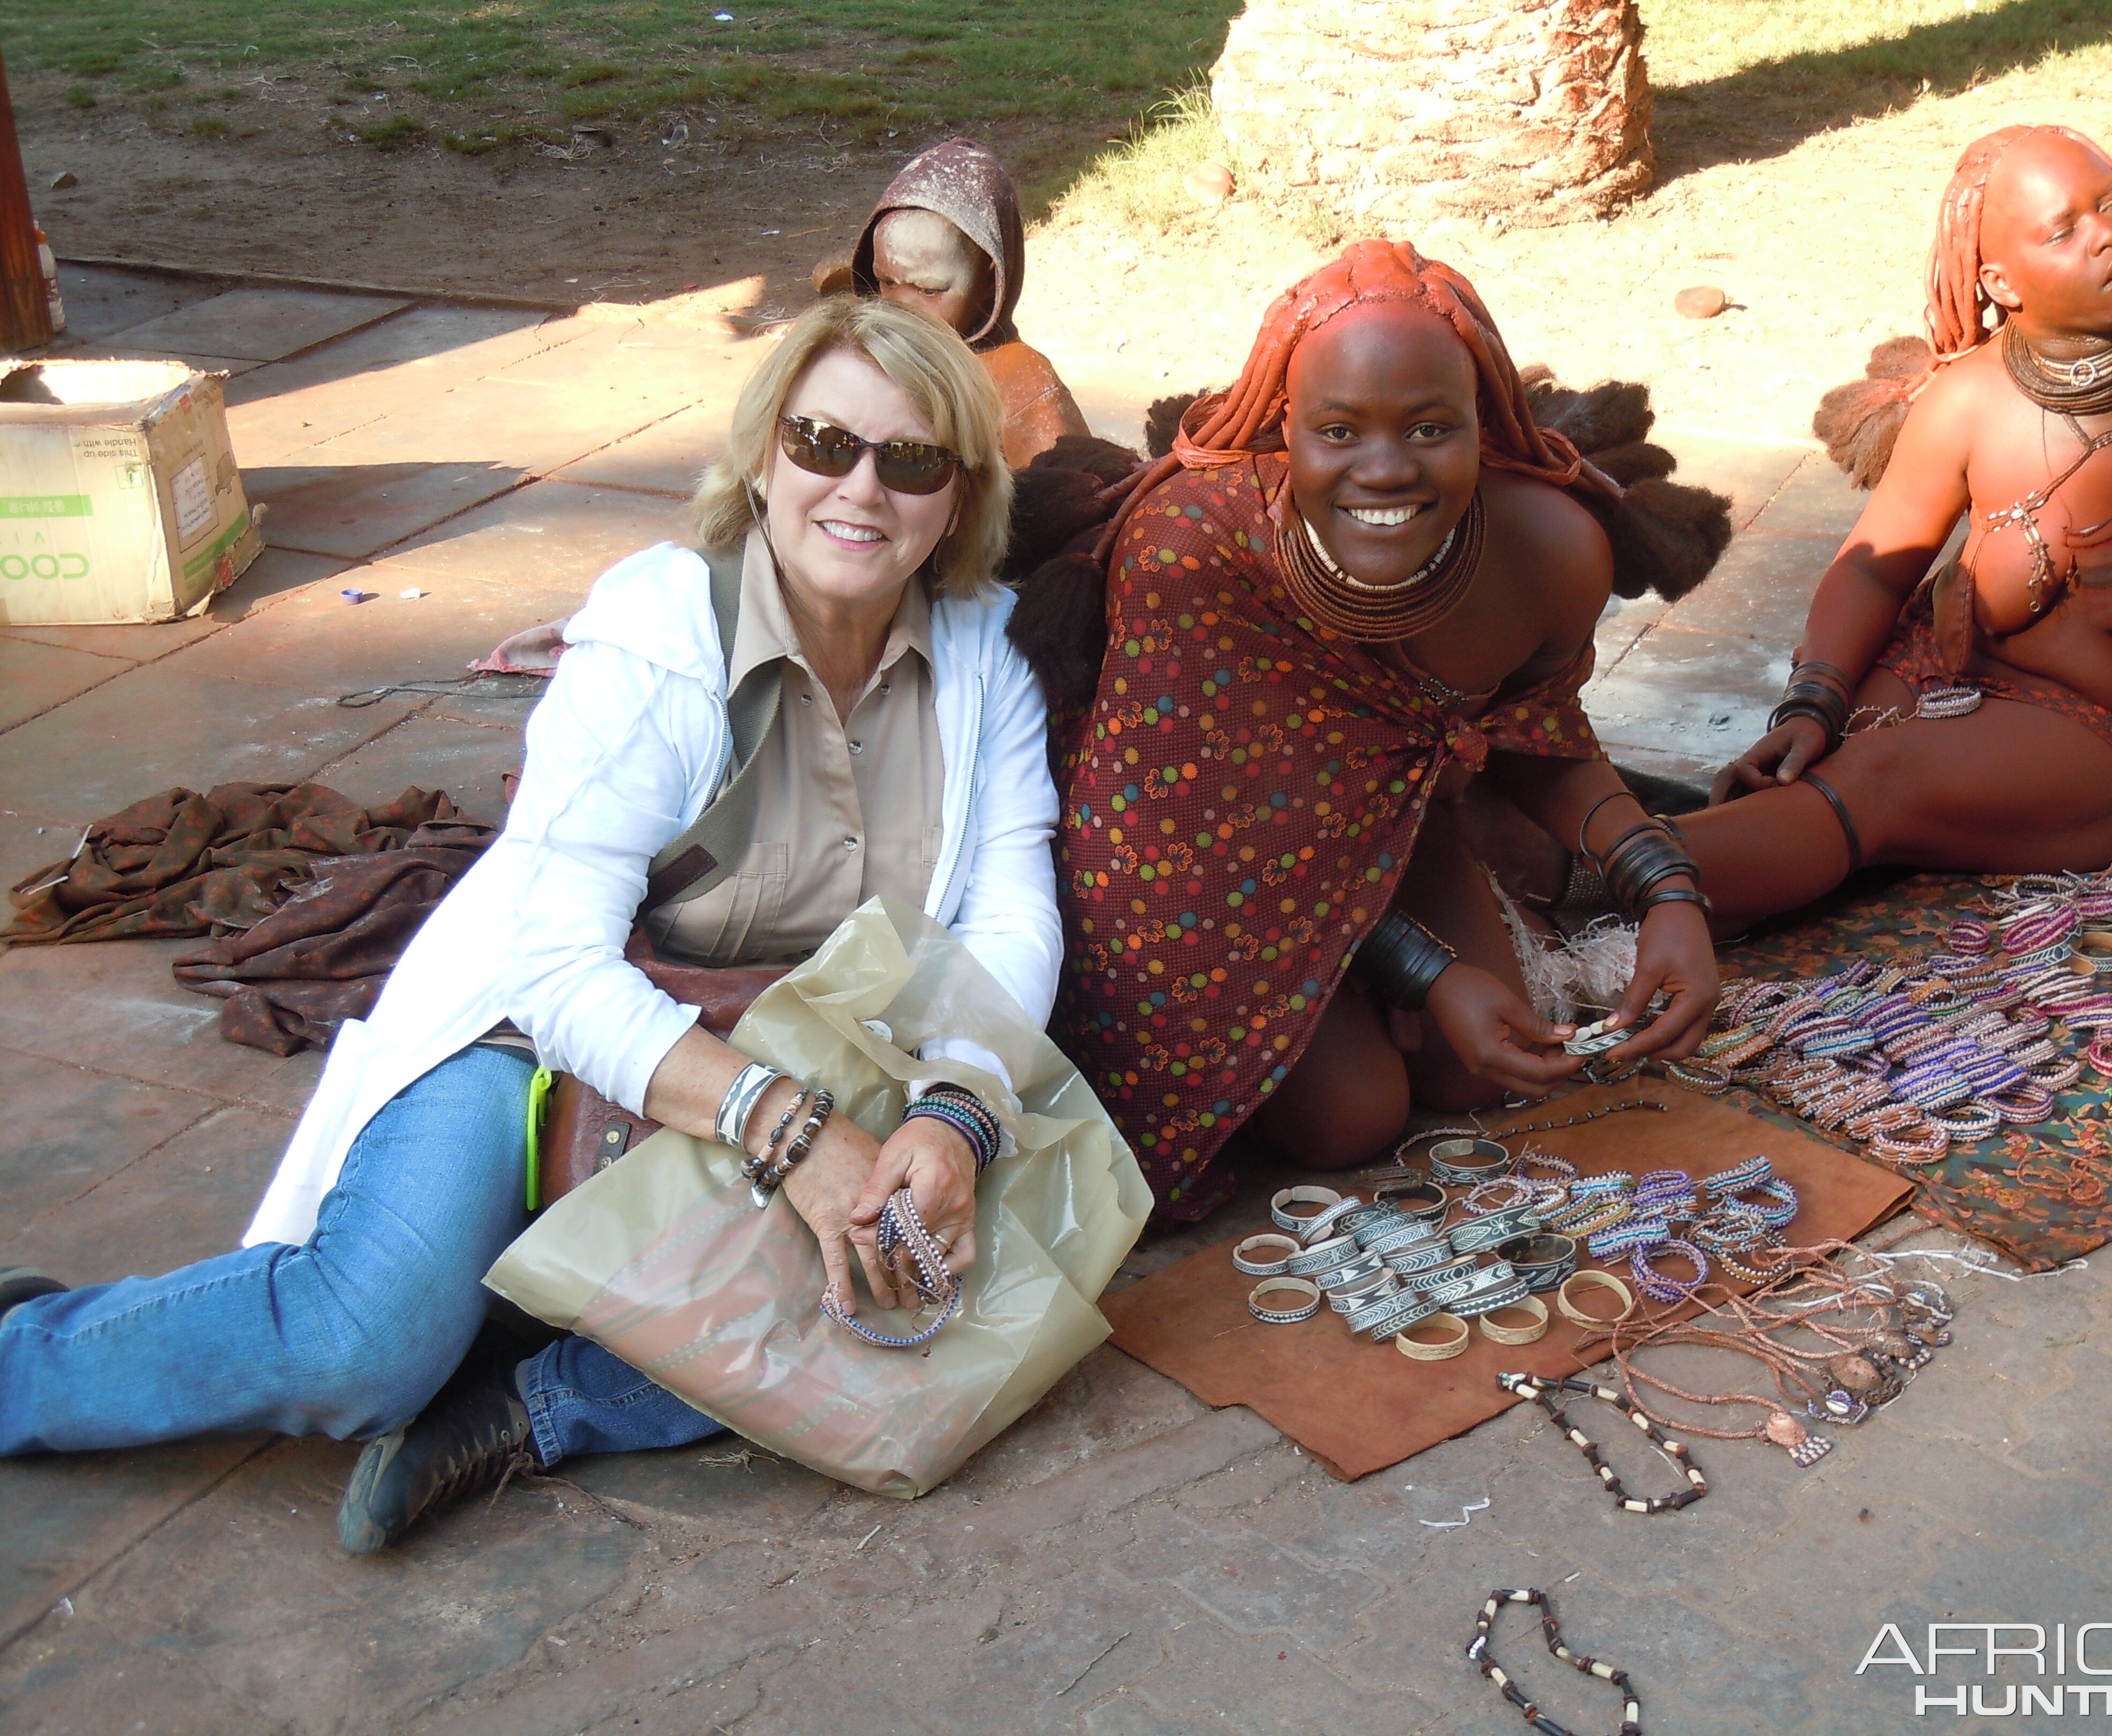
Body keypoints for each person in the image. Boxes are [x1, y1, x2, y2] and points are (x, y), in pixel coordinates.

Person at [0, 296, 1062, 1553]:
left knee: (950, 1283)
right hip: (539, 1036)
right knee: (366, 1343)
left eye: (913, 459)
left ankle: (534, 1398)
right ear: (767, 455)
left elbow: (1009, 913)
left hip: (795, 1054)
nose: (862, 488)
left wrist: (954, 1115)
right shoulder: (661, 633)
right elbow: (555, 963)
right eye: (824, 442)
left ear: (960, 496)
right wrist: (794, 1135)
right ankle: (31, 1355)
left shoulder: (985, 661)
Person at [1037, 241, 1721, 1218]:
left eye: (1432, 428)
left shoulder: (1549, 551)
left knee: (1477, 1073)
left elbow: (1545, 742)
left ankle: (1411, 935)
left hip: (1381, 811)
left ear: (1483, 427)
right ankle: (1371, 985)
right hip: (1175, 866)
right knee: (1350, 1118)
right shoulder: (1194, 554)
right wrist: (1428, 971)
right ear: (1286, 430)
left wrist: (1669, 892)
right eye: (1340, 432)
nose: (1386, 470)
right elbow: (1201, 854)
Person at [1687, 125, 2112, 934]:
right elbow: (1880, 566)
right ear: (2001, 283)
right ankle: (1618, 859)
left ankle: (1612, 882)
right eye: (2064, 231)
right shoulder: (1970, 398)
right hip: (1940, 671)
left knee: (1876, 784)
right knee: (1801, 781)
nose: (2111, 232)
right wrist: (1812, 703)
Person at [843, 137, 1092, 470]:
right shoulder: (861, 357)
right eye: (887, 283)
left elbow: (1073, 506)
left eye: (929, 291)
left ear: (989, 282)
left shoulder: (1025, 390)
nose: (902, 310)